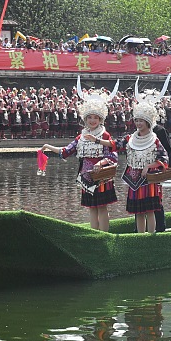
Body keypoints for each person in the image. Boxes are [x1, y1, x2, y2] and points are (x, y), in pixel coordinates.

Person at [42, 81, 119, 231]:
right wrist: (47, 147)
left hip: (102, 175)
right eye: (89, 117)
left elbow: (113, 155)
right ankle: (94, 234)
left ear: (100, 119)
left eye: (95, 118)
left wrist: (101, 164)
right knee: (91, 208)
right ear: (85, 119)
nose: (92, 120)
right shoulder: (81, 137)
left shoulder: (104, 134)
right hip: (86, 176)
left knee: (102, 207)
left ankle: (104, 235)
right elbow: (66, 151)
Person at [113, 101, 168, 233]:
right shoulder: (130, 138)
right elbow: (114, 144)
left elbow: (164, 158)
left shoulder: (155, 140)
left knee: (149, 211)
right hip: (134, 179)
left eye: (141, 121)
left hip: (148, 178)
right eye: (136, 120)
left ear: (147, 122)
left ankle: (151, 236)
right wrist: (97, 140)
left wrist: (149, 166)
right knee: (138, 211)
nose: (138, 124)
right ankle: (140, 236)